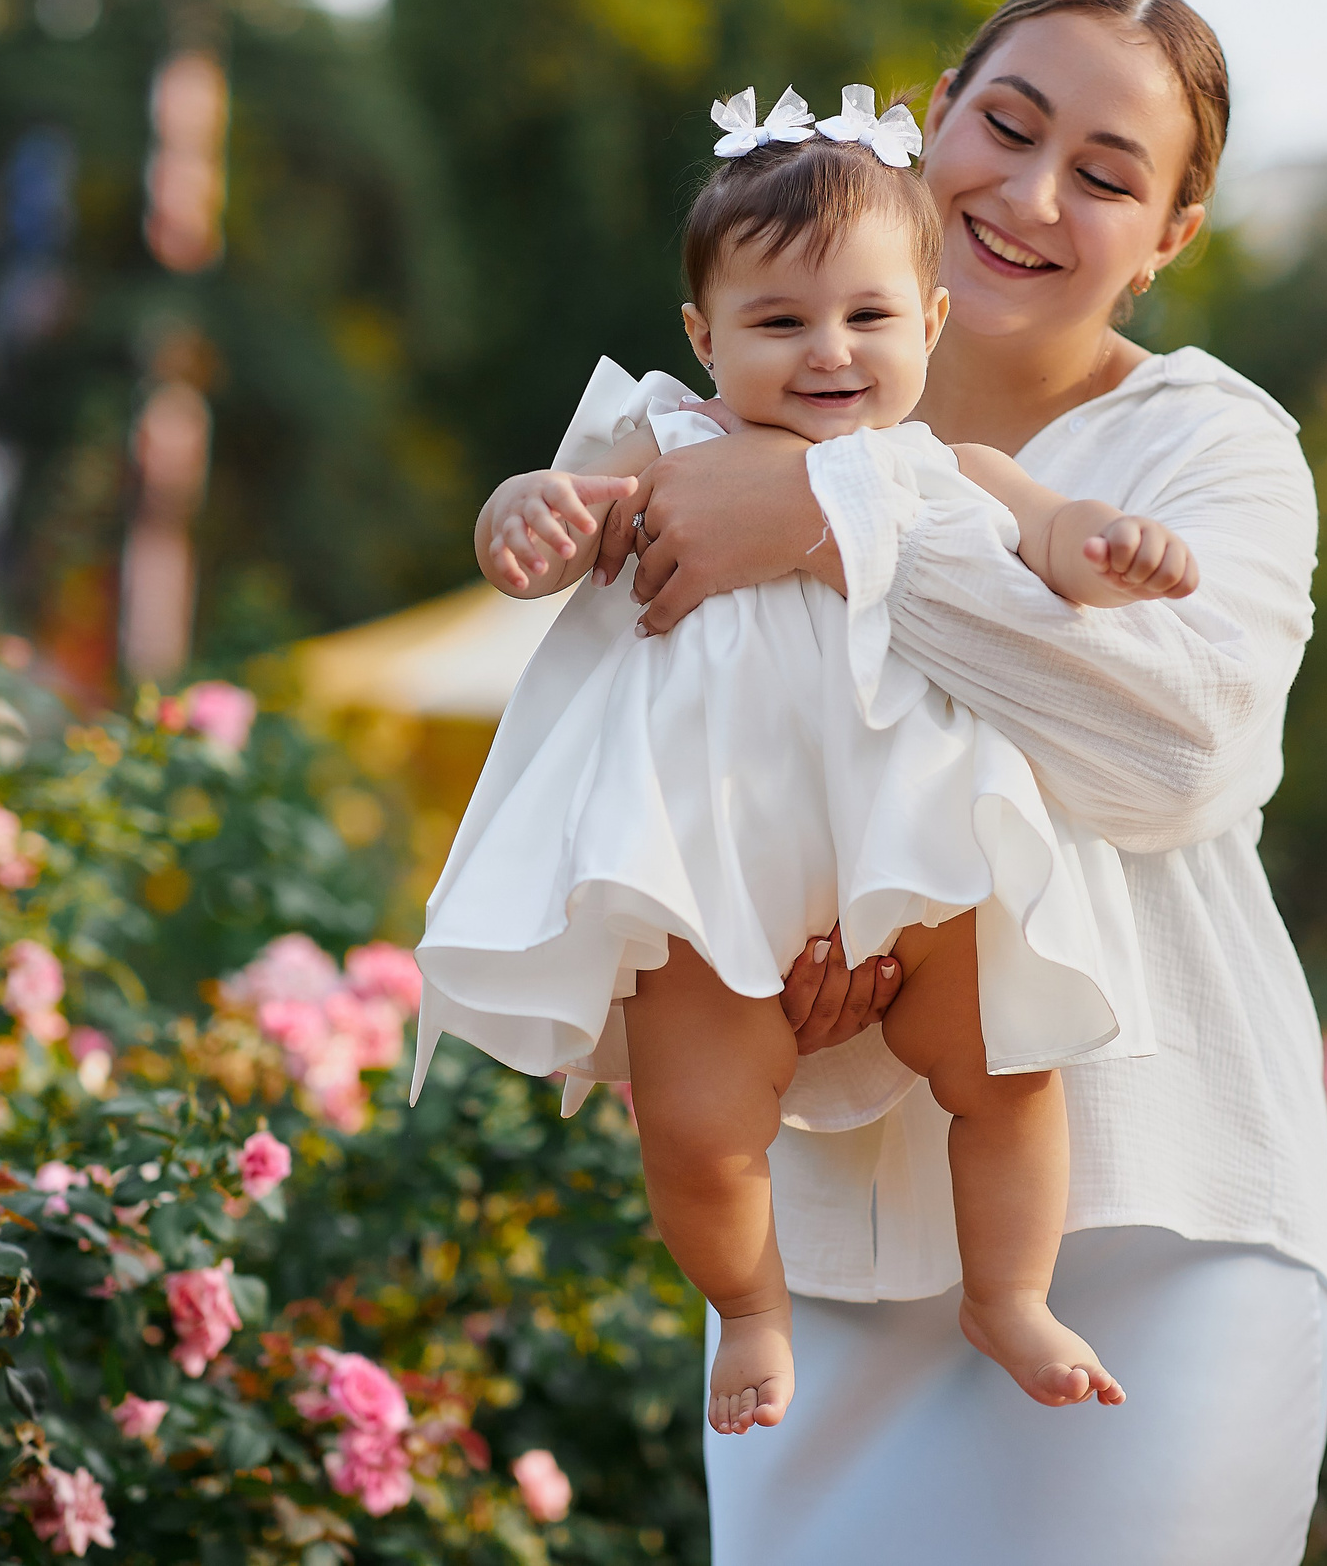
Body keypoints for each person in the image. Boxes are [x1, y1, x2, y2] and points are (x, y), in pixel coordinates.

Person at [594, 0, 1327, 1565]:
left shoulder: (1209, 449)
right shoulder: (709, 423)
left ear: (1172, 239)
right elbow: (636, 769)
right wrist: (749, 967)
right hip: (829, 1245)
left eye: (1108, 173)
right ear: (933, 116)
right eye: (1005, 127)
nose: (1031, 194)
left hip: (1159, 1214)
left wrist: (833, 523)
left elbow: (1181, 751)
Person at [417, 81, 1210, 1435]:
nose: (830, 352)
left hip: (919, 847)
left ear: (932, 321)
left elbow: (1056, 537)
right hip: (711, 857)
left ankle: (1008, 1289)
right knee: (695, 1120)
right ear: (702, 336)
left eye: (868, 316)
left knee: (1008, 1068)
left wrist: (1112, 548)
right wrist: (524, 519)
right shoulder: (667, 446)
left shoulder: (945, 468)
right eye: (779, 322)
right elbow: (530, 520)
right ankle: (749, 1308)